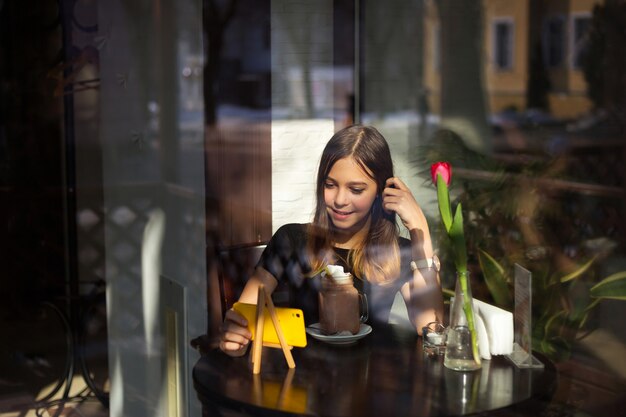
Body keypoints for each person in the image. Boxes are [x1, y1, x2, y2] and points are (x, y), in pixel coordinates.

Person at [219, 125, 444, 357]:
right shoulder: (292, 240)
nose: (339, 200)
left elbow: (431, 327)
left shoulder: (396, 253)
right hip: (303, 384)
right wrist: (235, 337)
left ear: (380, 192)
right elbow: (245, 319)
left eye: (356, 189)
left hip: (371, 386)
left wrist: (420, 228)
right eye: (330, 185)